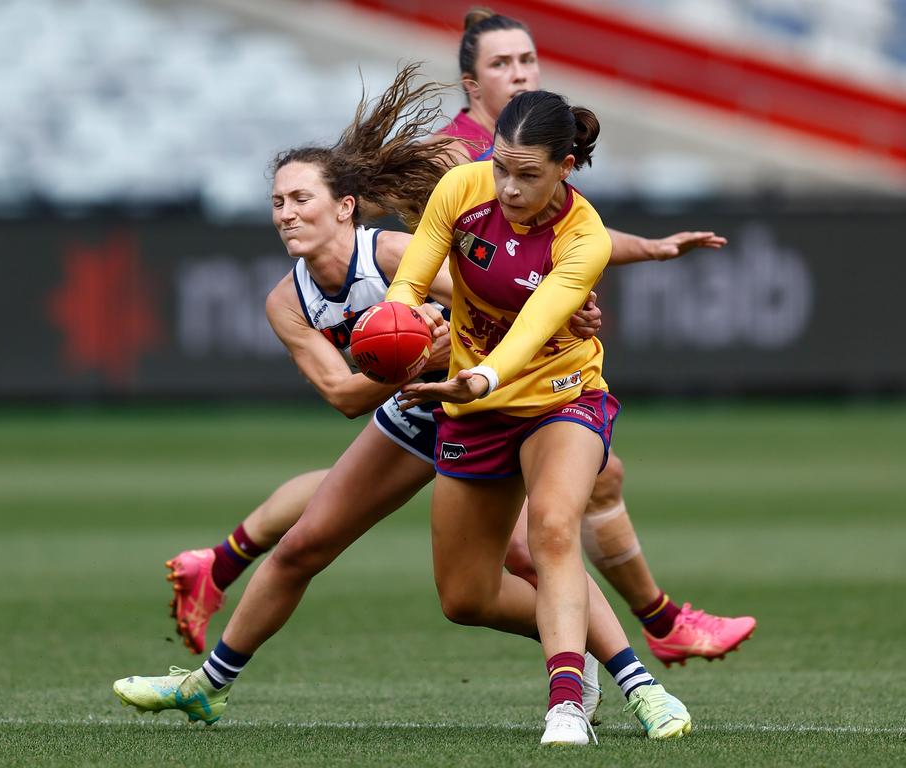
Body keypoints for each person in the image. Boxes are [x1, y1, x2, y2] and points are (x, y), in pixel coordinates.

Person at [113, 66, 690, 743]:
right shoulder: (288, 299)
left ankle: (620, 683)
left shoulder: (389, 248)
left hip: (530, 389)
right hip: (432, 403)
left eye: (301, 197)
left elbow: (511, 311)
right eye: (277, 202)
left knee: (548, 537)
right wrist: (408, 351)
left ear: (345, 207)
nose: (287, 213)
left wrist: (480, 358)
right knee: (384, 571)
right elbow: (344, 389)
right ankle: (206, 685)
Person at [167, 7, 754, 671]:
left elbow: (568, 238)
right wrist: (480, 323)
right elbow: (474, 268)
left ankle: (218, 562)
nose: (521, 72)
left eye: (528, 60)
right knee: (533, 531)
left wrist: (642, 252)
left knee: (544, 502)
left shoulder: (524, 151)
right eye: (503, 64)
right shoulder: (460, 157)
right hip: (458, 372)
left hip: (486, 369)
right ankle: (637, 645)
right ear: (472, 85)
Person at [385, 88, 689, 745]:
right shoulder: (462, 190)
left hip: (561, 394)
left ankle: (569, 704)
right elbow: (410, 282)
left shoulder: (585, 236)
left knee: (552, 527)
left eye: (527, 174)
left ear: (566, 168)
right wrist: (396, 327)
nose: (508, 187)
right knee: (464, 597)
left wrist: (480, 377)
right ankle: (585, 650)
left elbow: (534, 329)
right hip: (476, 407)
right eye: (501, 167)